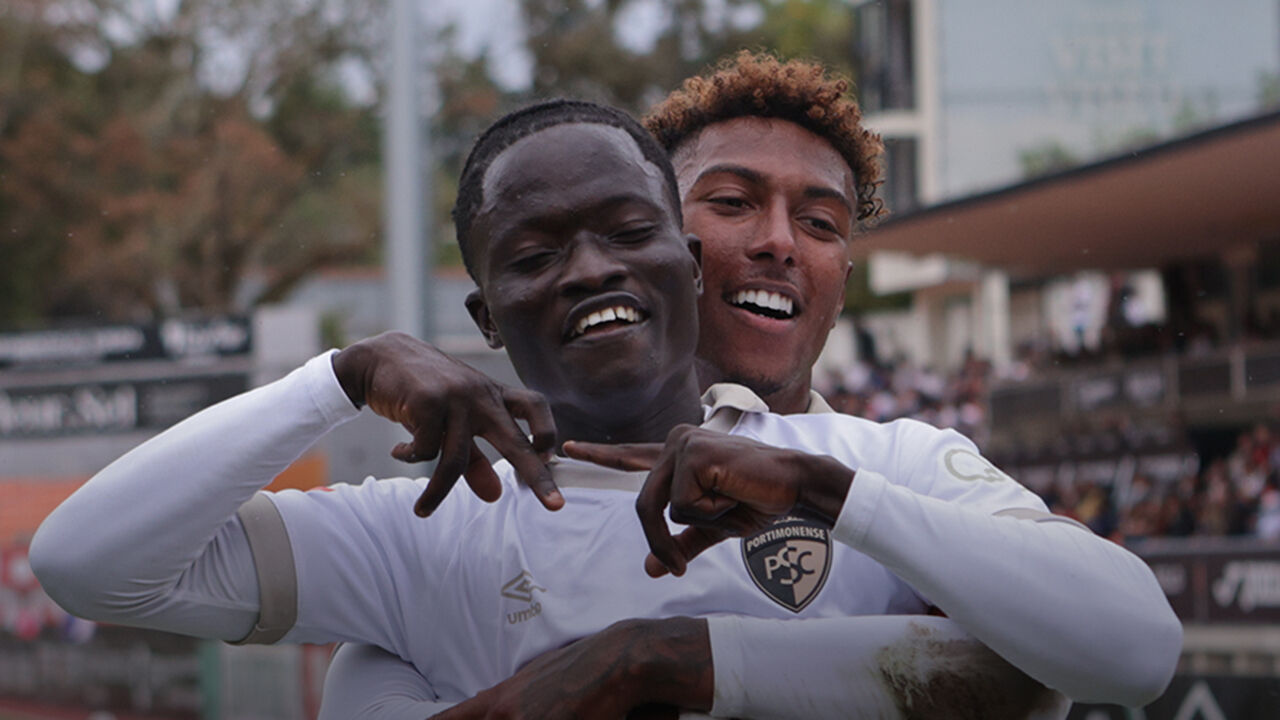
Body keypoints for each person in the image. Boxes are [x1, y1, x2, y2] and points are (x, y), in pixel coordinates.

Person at [31, 101, 1179, 720]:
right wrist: (337, 375)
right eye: (535, 254)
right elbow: (86, 564)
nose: (588, 269)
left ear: (682, 257)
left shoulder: (875, 461)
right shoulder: (414, 525)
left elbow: (1132, 651)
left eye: (626, 232)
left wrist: (813, 512)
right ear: (485, 316)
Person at [317, 53, 1079, 719]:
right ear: (665, 239)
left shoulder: (902, 471)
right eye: (732, 202)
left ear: (843, 284)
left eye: (820, 222)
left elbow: (1072, 664)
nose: (779, 242)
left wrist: (672, 659)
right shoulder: (457, 553)